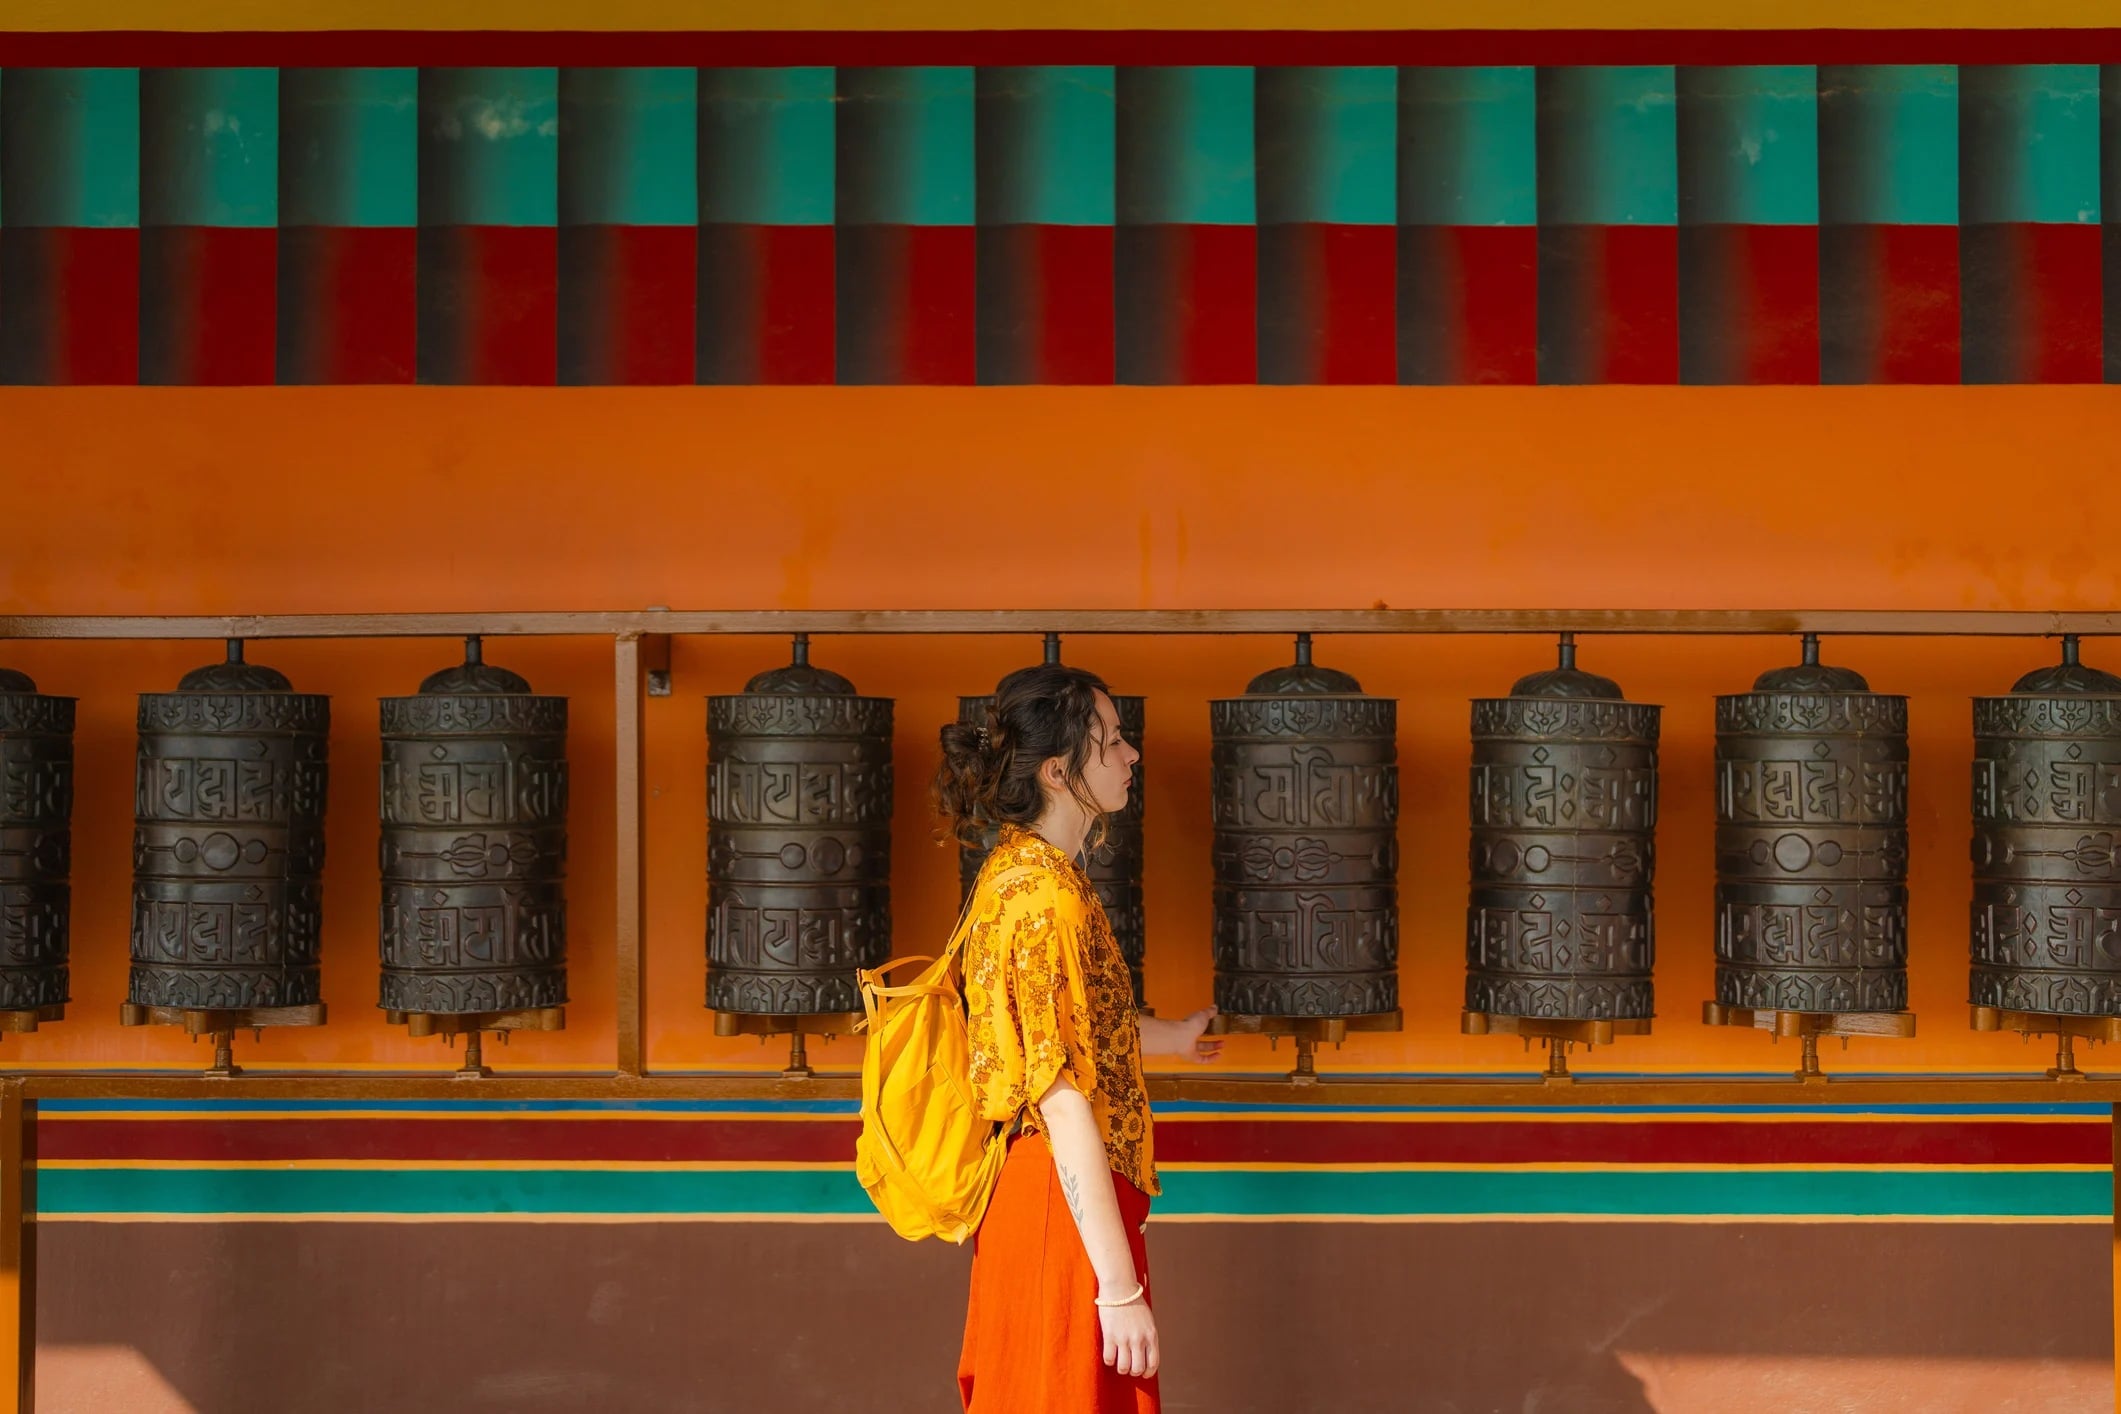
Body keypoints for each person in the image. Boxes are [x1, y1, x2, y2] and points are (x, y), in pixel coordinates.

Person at [936, 661, 1222, 1413]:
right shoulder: (1042, 898)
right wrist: (1118, 1287)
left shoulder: (1023, 874)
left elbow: (1075, 1030)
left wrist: (1171, 1039)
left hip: (1057, 1206)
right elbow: (1060, 1097)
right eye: (1113, 741)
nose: (1131, 756)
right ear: (1059, 771)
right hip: (1058, 1214)